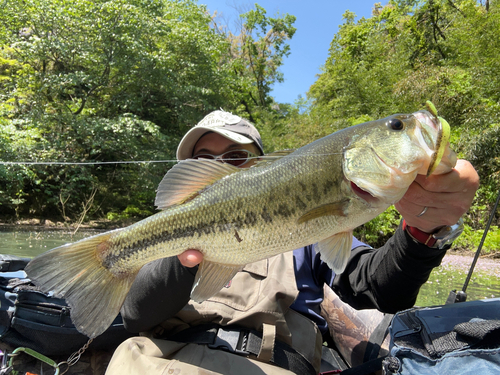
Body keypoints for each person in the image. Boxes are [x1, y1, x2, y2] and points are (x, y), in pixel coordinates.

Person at [106, 110, 479, 375]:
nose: (222, 167)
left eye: (236, 157)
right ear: (191, 177)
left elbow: (379, 291)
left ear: (264, 164)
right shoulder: (166, 239)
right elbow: (137, 316)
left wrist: (422, 229)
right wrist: (186, 257)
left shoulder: (311, 240)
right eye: (205, 160)